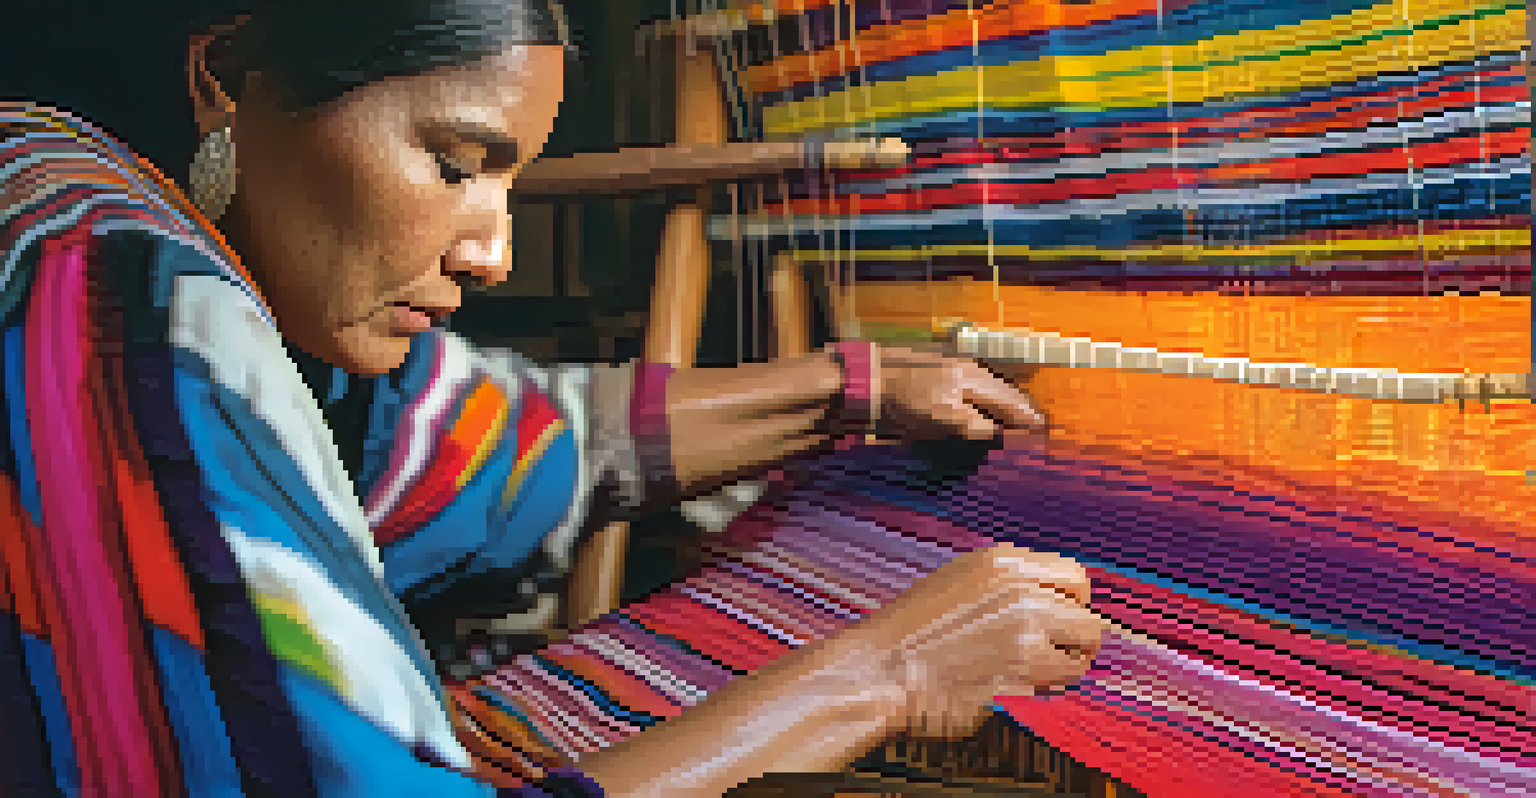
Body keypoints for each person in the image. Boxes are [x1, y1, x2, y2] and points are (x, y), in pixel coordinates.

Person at [0, 1, 1102, 796]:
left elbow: (474, 447)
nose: (493, 250)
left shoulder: (56, 189)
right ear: (225, 79)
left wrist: (848, 388)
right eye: (455, 162)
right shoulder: (130, 309)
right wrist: (886, 671)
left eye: (512, 179)